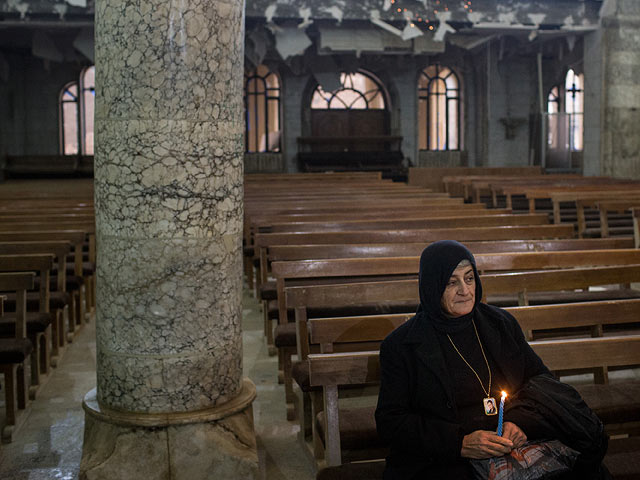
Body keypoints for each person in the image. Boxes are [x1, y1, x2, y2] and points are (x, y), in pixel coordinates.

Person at [375, 240, 609, 480]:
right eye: (451, 282)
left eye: (469, 278)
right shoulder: (402, 345)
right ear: (432, 286)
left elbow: (540, 380)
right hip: (447, 457)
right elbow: (391, 422)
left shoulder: (500, 324)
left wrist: (520, 424)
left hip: (512, 441)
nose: (465, 290)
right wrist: (460, 443)